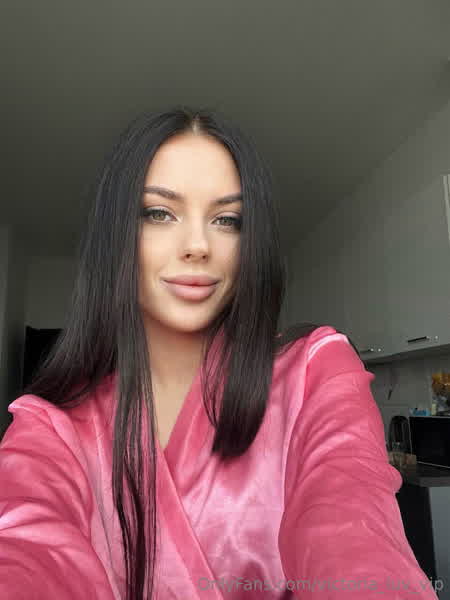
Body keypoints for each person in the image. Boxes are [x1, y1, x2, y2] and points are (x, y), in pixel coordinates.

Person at [0, 106, 439, 600]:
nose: (198, 245)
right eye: (160, 213)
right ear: (116, 235)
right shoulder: (51, 425)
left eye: (227, 220)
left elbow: (353, 526)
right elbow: (27, 544)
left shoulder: (314, 371)